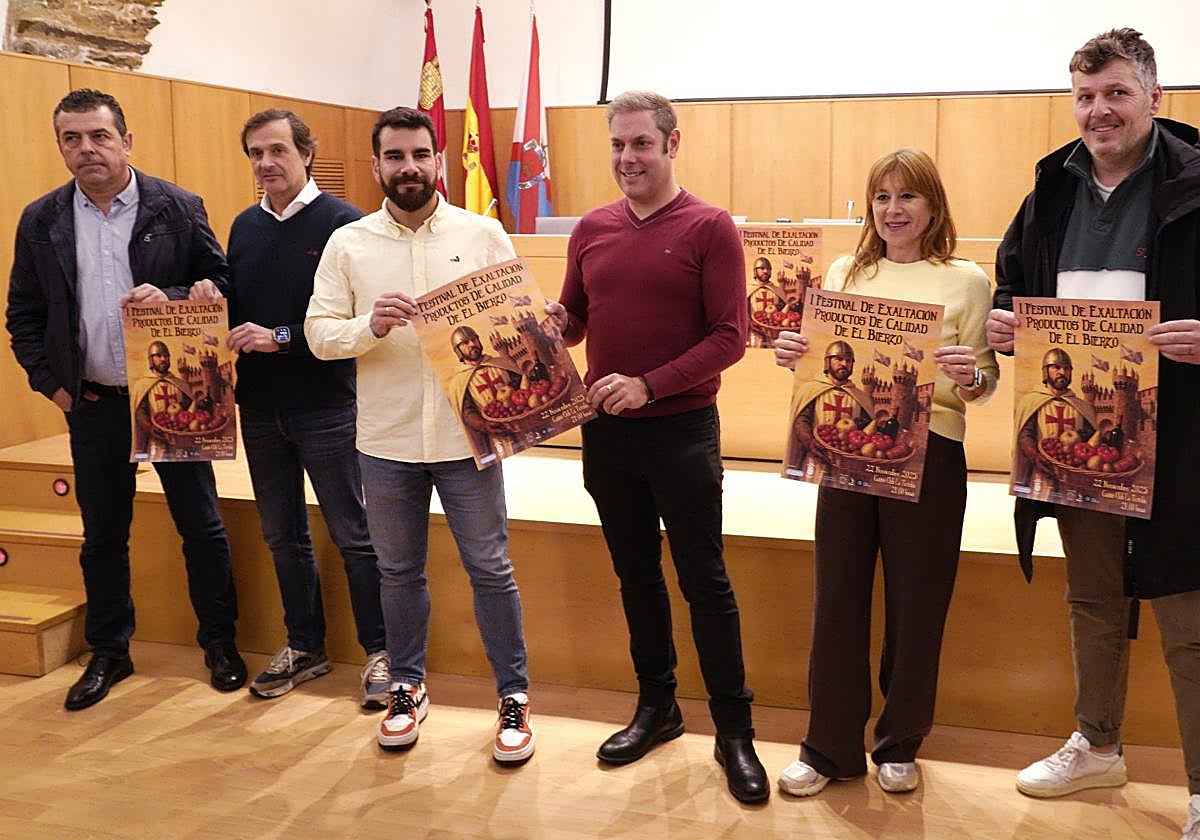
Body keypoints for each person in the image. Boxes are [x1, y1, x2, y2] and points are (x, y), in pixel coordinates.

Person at [985, 29, 1200, 837]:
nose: (1098, 110)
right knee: (1094, 601)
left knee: (1189, 614)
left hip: (1183, 440)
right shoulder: (1051, 190)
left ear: (1156, 96)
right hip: (1078, 444)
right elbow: (1014, 285)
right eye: (1085, 95)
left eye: (1115, 93)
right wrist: (1008, 328)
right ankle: (1098, 745)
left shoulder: (1197, 183)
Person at [545, 90, 768, 804]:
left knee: (705, 581)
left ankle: (735, 731)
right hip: (606, 433)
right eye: (617, 145)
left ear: (673, 144)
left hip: (682, 433)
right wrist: (558, 325)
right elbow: (577, 320)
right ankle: (658, 707)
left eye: (641, 143)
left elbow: (730, 338)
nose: (627, 158)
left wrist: (650, 384)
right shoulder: (591, 228)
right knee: (635, 575)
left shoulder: (711, 228)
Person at [304, 106, 535, 765]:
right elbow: (320, 335)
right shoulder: (349, 245)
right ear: (376, 166)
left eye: (419, 155)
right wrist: (368, 327)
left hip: (470, 441)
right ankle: (407, 684)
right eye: (395, 157)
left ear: (439, 161)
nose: (408, 167)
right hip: (387, 441)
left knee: (491, 569)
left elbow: (517, 334)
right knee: (398, 571)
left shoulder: (484, 233)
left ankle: (513, 697)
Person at [5, 88, 245, 710]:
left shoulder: (176, 205)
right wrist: (53, 386)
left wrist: (172, 294)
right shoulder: (41, 220)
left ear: (126, 140)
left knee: (201, 526)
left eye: (99, 136)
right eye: (72, 139)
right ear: (60, 145)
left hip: (175, 395)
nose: (87, 149)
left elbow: (221, 286)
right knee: (103, 534)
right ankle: (110, 650)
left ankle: (219, 643)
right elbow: (23, 315)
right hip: (92, 402)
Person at [773, 148, 997, 796]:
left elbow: (984, 383)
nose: (893, 210)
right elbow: (823, 363)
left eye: (907, 197)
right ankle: (828, 748)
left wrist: (970, 376)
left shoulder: (966, 280)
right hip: (847, 452)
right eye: (882, 197)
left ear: (933, 206)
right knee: (837, 596)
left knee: (917, 601)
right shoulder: (847, 269)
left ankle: (900, 742)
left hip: (932, 455)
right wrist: (796, 353)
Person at [225, 108, 388, 706]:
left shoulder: (346, 224)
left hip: (328, 405)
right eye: (255, 154)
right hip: (260, 407)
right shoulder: (243, 226)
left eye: (276, 151)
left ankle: (380, 652)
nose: (266, 164)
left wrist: (281, 335)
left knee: (354, 532)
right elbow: (234, 305)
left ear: (306, 153)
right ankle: (305, 646)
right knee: (281, 534)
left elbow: (357, 321)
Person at [1012, 348, 1098, 496]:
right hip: (1040, 473)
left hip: (1072, 475)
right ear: (1046, 371)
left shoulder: (1082, 406)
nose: (1062, 372)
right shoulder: (1031, 401)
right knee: (1029, 510)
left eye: (1066, 368)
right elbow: (1026, 434)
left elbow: (1090, 439)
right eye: (1056, 367)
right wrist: (1034, 455)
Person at [784, 340, 875, 478]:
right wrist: (809, 441)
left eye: (848, 360)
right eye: (838, 359)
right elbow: (802, 420)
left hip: (847, 466)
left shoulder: (861, 397)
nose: (844, 364)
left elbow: (867, 427)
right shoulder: (810, 389)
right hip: (815, 461)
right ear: (827, 362)